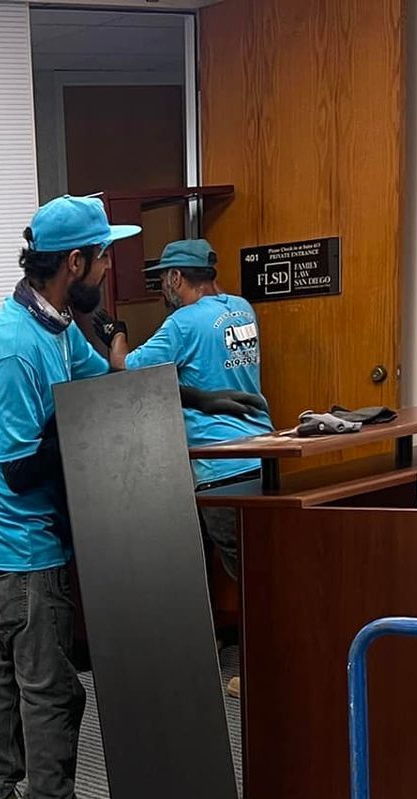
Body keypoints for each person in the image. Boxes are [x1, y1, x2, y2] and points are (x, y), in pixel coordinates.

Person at [0, 195, 135, 799]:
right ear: (74, 262)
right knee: (51, 691)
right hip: (19, 550)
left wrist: (144, 376)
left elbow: (103, 389)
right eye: (102, 258)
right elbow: (22, 463)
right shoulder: (12, 348)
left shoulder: (58, 330)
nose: (107, 269)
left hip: (6, 551)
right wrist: (77, 434)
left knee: (5, 681)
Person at [122, 238, 270, 698]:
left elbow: (129, 369)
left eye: (163, 278)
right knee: (262, 566)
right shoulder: (242, 309)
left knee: (246, 576)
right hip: (262, 454)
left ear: (176, 278)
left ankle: (262, 674)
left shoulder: (181, 323)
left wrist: (118, 333)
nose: (163, 287)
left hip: (220, 466)